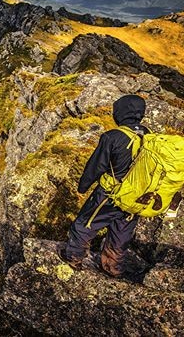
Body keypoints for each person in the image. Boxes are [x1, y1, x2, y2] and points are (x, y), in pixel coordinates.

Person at [61, 94, 150, 278]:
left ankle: (74, 256)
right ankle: (113, 266)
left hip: (110, 194)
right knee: (122, 232)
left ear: (121, 113)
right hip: (136, 198)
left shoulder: (113, 137)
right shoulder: (150, 138)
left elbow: (96, 165)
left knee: (86, 222)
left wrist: (83, 186)